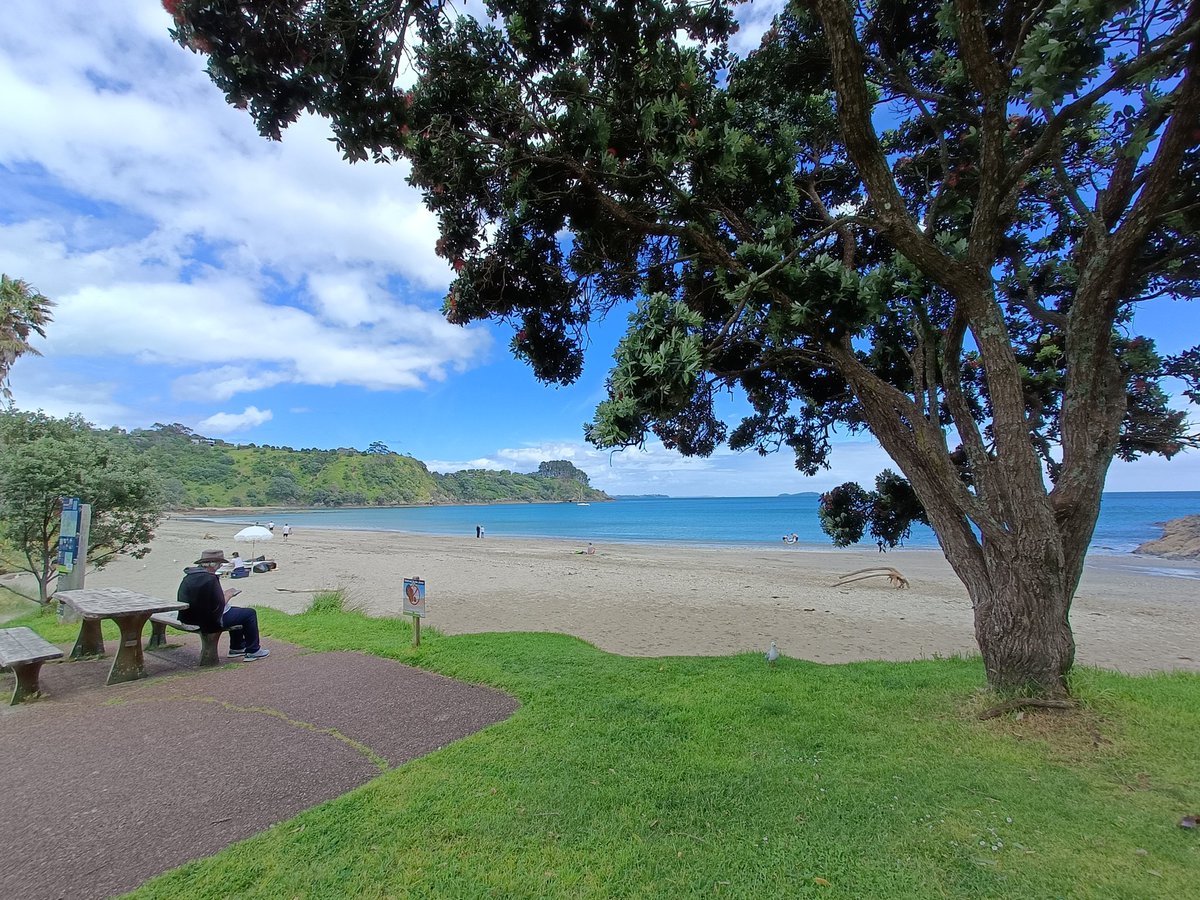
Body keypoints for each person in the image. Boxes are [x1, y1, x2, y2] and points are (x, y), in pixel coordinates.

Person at [178, 549, 270, 660]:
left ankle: (237, 647)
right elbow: (219, 605)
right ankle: (253, 650)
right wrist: (229, 594)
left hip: (189, 617)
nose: (221, 566)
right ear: (213, 564)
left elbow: (202, 599)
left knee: (238, 612)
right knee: (249, 613)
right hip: (208, 621)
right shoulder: (210, 579)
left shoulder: (190, 576)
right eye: (219, 563)